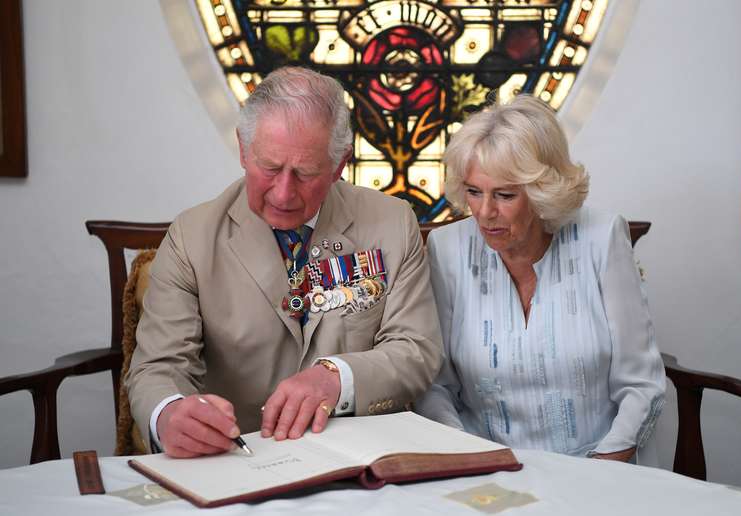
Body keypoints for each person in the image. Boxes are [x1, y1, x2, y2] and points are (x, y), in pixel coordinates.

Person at [126, 66, 442, 458]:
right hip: (237, 460)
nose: (283, 192)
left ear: (339, 165)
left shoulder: (392, 222)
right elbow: (157, 367)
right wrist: (169, 414)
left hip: (360, 460)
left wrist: (336, 379)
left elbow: (416, 349)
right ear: (243, 149)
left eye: (305, 173)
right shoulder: (192, 236)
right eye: (270, 168)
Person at [415, 96, 665, 461]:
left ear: (541, 189)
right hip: (487, 471)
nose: (485, 213)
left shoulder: (601, 238)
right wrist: (466, 457)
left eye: (505, 195)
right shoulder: (448, 249)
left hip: (600, 467)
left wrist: (602, 470)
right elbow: (435, 386)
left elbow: (642, 385)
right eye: (473, 191)